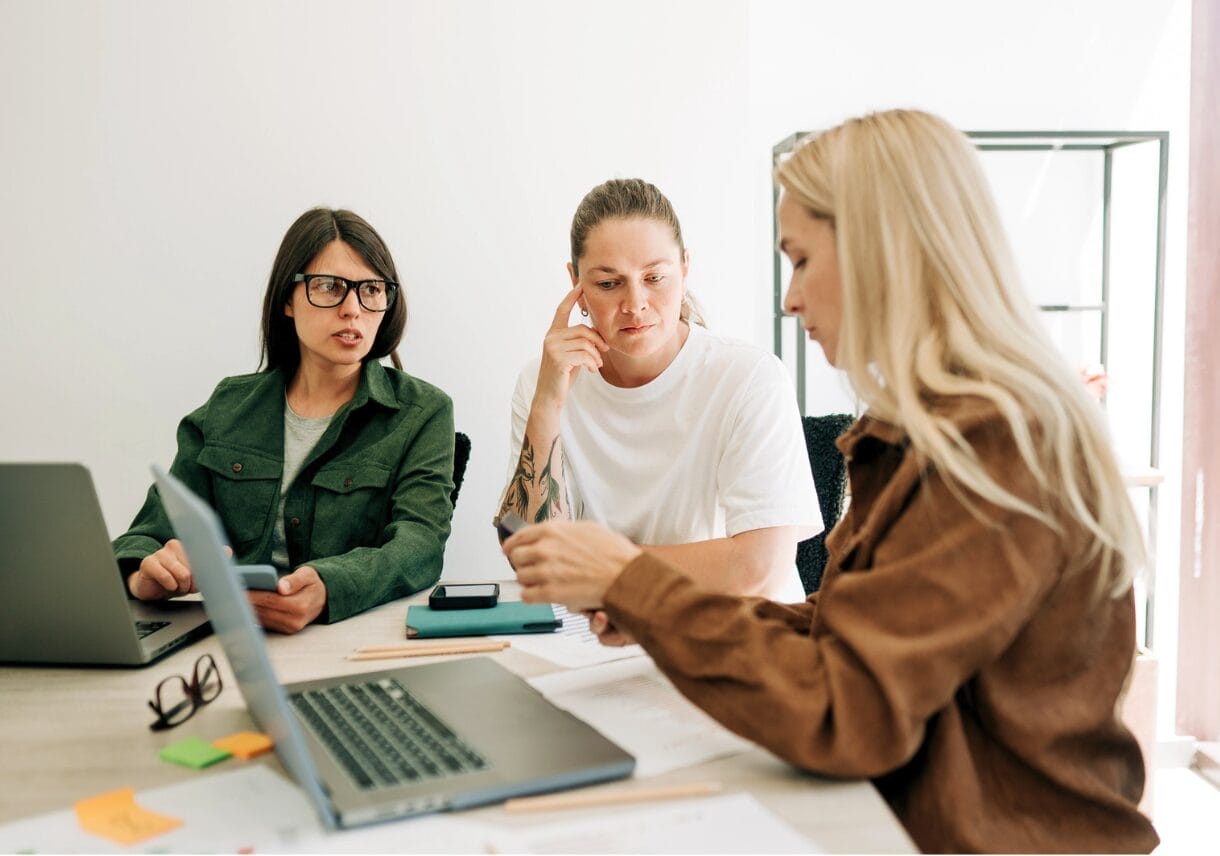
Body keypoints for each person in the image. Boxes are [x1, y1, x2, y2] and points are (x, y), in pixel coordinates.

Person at [502, 111, 1158, 853]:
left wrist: (637, 583)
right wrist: (654, 608)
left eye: (802, 260)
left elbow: (851, 711)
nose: (789, 297)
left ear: (885, 254)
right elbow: (847, 630)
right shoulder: (927, 429)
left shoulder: (999, 445)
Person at [114, 208, 456, 634]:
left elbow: (419, 545)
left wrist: (330, 587)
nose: (353, 309)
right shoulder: (228, 407)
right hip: (231, 641)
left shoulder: (423, 412)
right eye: (329, 287)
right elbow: (147, 534)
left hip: (348, 637)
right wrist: (144, 574)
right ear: (288, 301)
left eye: (371, 290)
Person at [497, 178, 820, 604]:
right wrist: (547, 406)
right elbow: (530, 557)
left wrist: (597, 568)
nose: (635, 303)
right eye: (609, 283)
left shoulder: (750, 377)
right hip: (601, 632)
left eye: (655, 277)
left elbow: (758, 568)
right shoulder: (544, 379)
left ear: (684, 270)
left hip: (738, 632)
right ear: (575, 282)